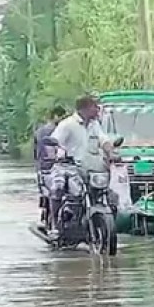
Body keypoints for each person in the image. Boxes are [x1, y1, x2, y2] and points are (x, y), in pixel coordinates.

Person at [46, 95, 119, 233]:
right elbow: (53, 142)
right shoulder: (67, 124)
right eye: (94, 107)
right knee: (58, 188)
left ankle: (101, 225)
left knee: (111, 195)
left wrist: (111, 154)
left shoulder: (94, 124)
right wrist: (54, 156)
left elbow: (104, 141)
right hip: (65, 166)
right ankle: (55, 224)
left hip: (89, 168)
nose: (97, 110)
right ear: (85, 108)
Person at [34, 105, 68, 229]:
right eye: (62, 117)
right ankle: (54, 225)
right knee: (53, 194)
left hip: (48, 167)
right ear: (55, 117)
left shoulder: (45, 130)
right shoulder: (48, 131)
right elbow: (45, 151)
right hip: (48, 168)